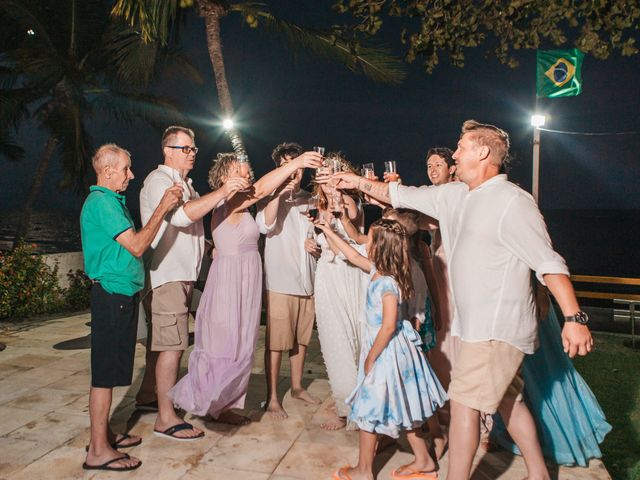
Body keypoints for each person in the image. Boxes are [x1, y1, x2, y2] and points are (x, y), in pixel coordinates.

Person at [334, 120, 593, 480]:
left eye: (461, 147)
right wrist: (353, 181)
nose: (454, 155)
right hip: (476, 329)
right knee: (509, 401)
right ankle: (538, 473)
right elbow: (399, 195)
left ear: (483, 152)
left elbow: (548, 262)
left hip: (495, 329)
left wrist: (574, 318)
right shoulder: (456, 195)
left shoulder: (512, 202)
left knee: (464, 405)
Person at [169, 150, 322, 424]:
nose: (248, 173)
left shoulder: (241, 203)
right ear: (226, 175)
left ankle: (223, 405)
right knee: (225, 341)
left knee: (241, 343)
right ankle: (208, 400)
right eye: (242, 170)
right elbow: (262, 188)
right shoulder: (230, 199)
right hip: (230, 280)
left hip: (247, 279)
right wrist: (297, 164)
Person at [137, 126, 249, 440]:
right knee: (173, 346)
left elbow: (193, 228)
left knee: (160, 345)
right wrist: (226, 189)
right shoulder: (160, 180)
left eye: (193, 148)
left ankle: (148, 397)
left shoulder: (186, 185)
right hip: (168, 275)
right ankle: (166, 418)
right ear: (167, 150)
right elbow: (183, 217)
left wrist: (210, 247)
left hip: (181, 273)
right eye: (185, 148)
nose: (192, 154)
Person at [316, 218, 446, 480]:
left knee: (367, 410)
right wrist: (327, 230)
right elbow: (352, 254)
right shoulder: (377, 269)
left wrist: (371, 358)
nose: (366, 242)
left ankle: (364, 470)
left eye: (372, 239)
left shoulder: (388, 284)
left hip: (386, 352)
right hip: (389, 349)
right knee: (404, 407)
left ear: (382, 248)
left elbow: (388, 326)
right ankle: (424, 460)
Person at [80, 143, 183, 470]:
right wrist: (163, 207)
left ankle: (105, 434)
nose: (131, 174)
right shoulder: (102, 203)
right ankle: (98, 451)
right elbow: (138, 245)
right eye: (126, 168)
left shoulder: (109, 201)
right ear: (109, 171)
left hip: (120, 296)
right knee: (104, 377)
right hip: (111, 297)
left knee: (108, 373)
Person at [491, 287, 612, 466]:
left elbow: (545, 263)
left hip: (528, 301)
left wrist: (540, 294)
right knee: (512, 375)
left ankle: (564, 440)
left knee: (544, 371)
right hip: (501, 306)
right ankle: (513, 435)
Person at [256, 142, 321, 419]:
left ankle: (296, 386)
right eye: (287, 167)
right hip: (281, 281)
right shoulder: (268, 196)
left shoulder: (311, 199)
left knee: (302, 339)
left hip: (308, 279)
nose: (293, 174)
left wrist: (316, 246)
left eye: (296, 168)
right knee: (276, 342)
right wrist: (277, 194)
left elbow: (318, 235)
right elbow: (264, 226)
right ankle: (271, 397)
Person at [312, 154, 368, 430]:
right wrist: (309, 244)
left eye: (331, 172)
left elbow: (351, 226)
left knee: (356, 339)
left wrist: (336, 192)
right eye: (321, 173)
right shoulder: (316, 205)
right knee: (335, 340)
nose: (324, 177)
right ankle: (344, 406)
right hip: (327, 276)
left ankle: (360, 405)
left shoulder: (349, 202)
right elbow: (320, 241)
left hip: (351, 273)